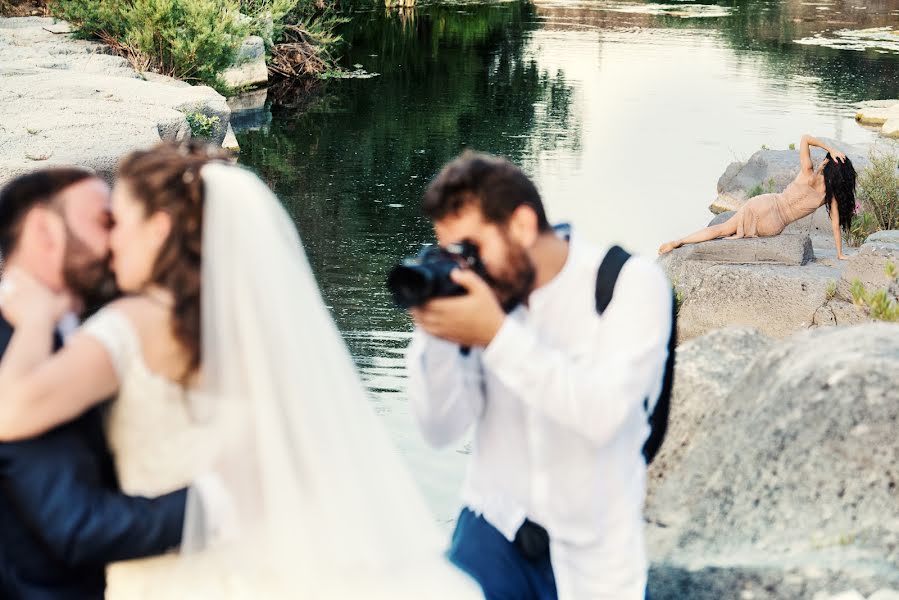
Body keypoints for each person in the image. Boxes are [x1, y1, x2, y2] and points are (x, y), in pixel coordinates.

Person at [0, 142, 481, 598]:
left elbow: (8, 410)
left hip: (167, 577)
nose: (111, 242)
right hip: (248, 562)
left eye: (118, 221)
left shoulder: (128, 323)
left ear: (158, 228)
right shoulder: (242, 324)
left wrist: (36, 317)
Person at [406, 151, 672, 600]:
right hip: (491, 532)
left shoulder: (626, 283)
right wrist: (436, 334)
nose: (465, 268)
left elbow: (602, 415)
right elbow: (439, 429)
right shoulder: (482, 297)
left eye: (471, 250)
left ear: (522, 226)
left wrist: (496, 334)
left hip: (595, 555)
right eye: (452, 255)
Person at [0, 168, 189, 600]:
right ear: (44, 230)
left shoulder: (84, 332)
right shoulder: (14, 352)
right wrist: (218, 503)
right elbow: (76, 525)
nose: (114, 240)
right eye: (104, 222)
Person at [658, 134, 857, 259]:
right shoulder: (829, 197)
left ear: (828, 164)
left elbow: (805, 138)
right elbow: (834, 225)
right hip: (774, 224)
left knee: (721, 228)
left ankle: (679, 242)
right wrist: (839, 254)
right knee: (725, 231)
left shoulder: (808, 172)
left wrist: (830, 148)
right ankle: (694, 240)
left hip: (765, 204)